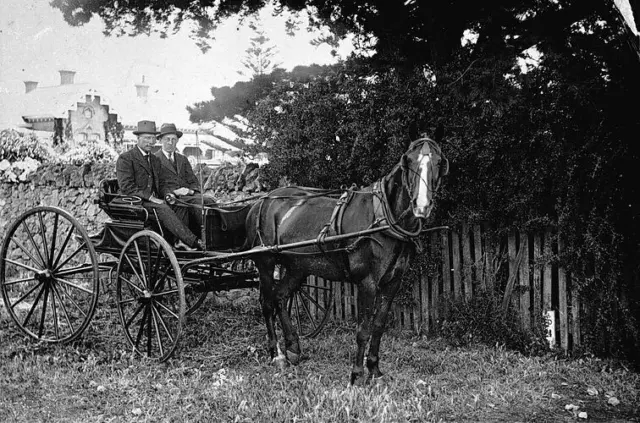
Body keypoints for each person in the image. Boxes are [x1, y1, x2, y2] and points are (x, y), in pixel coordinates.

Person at [115, 120, 204, 251]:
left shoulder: (154, 159)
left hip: (150, 202)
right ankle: (193, 241)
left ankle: (178, 242)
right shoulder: (126, 158)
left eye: (152, 138)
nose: (150, 142)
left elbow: (160, 184)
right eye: (146, 138)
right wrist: (151, 198)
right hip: (134, 202)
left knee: (178, 204)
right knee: (163, 208)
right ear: (138, 138)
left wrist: (169, 194)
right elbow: (126, 187)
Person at [154, 123, 216, 237]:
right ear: (160, 140)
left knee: (209, 201)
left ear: (177, 141)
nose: (170, 142)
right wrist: (174, 192)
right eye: (167, 139)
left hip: (187, 195)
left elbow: (193, 180)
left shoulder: (182, 159)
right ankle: (184, 241)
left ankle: (211, 237)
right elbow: (157, 185)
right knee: (185, 206)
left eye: (173, 139)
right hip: (170, 198)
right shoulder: (154, 159)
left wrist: (191, 191)